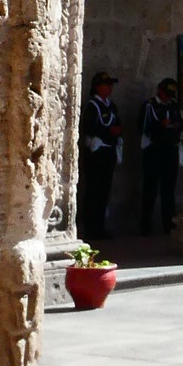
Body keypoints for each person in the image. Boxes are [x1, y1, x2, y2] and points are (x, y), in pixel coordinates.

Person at [77, 71, 123, 243]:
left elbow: (117, 122)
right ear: (98, 87)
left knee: (104, 190)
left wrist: (117, 131)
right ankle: (91, 228)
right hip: (96, 153)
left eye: (111, 84)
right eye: (106, 84)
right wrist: (107, 131)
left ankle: (100, 226)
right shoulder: (93, 106)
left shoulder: (111, 106)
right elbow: (88, 127)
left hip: (108, 151)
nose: (110, 87)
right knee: (93, 190)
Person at [139, 77, 183, 235]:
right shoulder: (150, 105)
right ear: (159, 90)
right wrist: (161, 125)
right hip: (154, 150)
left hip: (170, 149)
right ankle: (145, 226)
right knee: (150, 189)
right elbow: (143, 126)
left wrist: (173, 126)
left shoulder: (172, 105)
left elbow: (180, 123)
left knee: (169, 190)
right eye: (165, 93)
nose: (167, 97)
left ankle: (168, 224)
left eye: (170, 94)